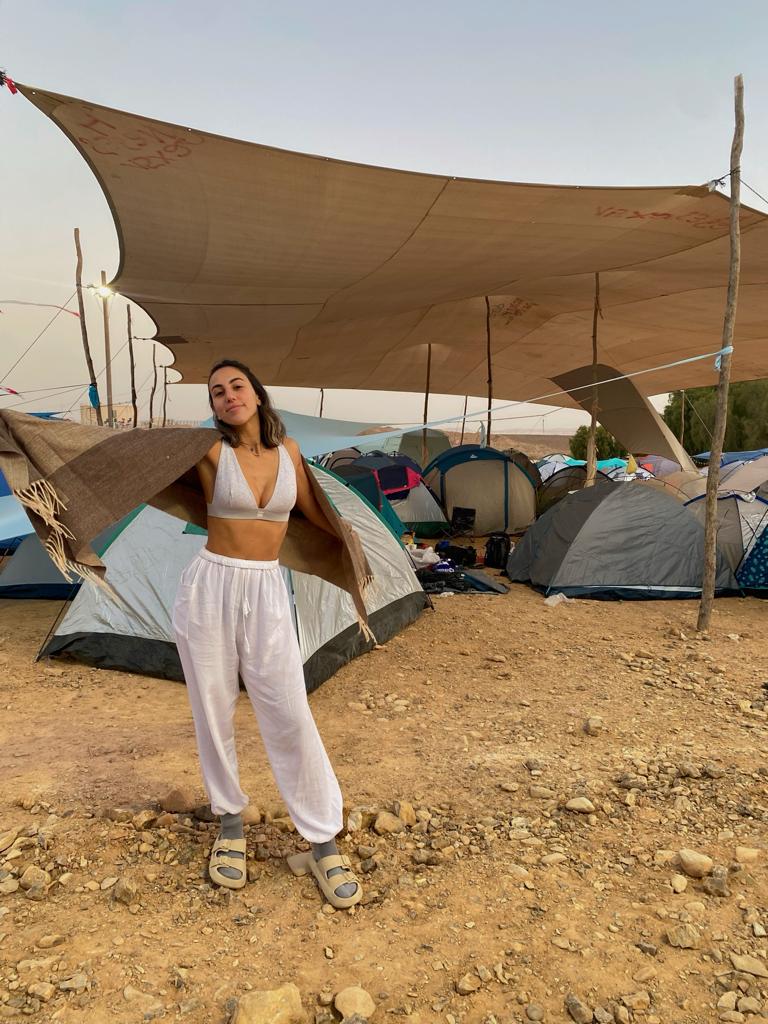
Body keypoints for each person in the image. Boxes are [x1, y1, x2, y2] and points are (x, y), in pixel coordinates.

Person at [171, 359, 361, 908]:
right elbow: (134, 461)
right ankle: (230, 826)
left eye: (237, 386)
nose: (228, 396)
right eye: (217, 392)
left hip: (266, 588)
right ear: (213, 406)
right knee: (213, 708)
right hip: (209, 585)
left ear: (256, 394)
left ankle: (322, 841)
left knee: (289, 709)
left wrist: (352, 551)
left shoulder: (289, 453)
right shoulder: (208, 451)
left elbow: (315, 514)